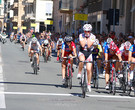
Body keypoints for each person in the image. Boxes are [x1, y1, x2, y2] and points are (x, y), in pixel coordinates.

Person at [77, 24, 96, 92]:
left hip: (89, 52)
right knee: (81, 61)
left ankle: (88, 84)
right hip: (82, 51)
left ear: (90, 31)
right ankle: (79, 73)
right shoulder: (81, 35)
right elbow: (82, 45)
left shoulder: (93, 36)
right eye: (85, 31)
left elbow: (88, 45)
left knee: (88, 69)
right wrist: (85, 37)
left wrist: (87, 38)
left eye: (88, 31)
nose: (87, 32)